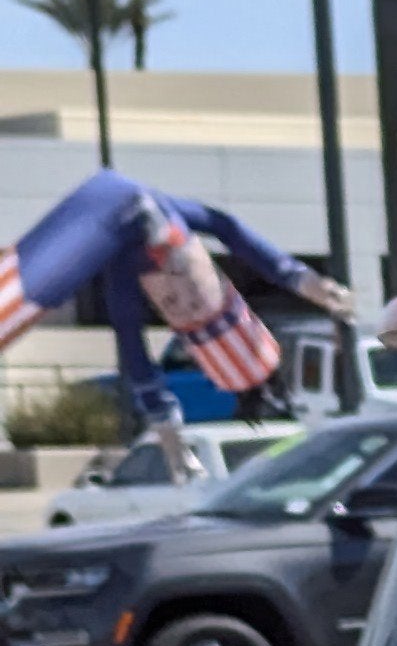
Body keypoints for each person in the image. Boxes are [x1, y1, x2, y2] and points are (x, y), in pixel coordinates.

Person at [0, 169, 355, 480]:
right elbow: (229, 229)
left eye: (171, 302)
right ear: (215, 273)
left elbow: (132, 346)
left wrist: (167, 431)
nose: (178, 287)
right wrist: (304, 281)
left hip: (77, 237)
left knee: (37, 292)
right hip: (105, 212)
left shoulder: (123, 264)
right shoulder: (166, 217)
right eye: (198, 291)